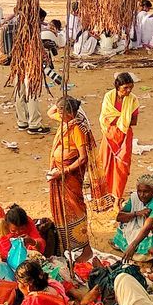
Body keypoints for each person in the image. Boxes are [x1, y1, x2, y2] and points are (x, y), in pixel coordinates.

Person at [47, 97, 91, 256]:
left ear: (70, 113)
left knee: (75, 208)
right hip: (58, 174)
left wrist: (64, 171)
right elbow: (49, 112)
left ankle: (82, 245)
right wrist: (62, 101)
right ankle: (66, 244)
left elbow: (83, 157)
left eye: (61, 111)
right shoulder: (64, 120)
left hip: (70, 177)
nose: (57, 114)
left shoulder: (76, 128)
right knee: (62, 209)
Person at [99, 73, 138, 203]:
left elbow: (134, 120)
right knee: (105, 164)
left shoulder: (133, 99)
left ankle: (117, 197)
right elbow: (105, 118)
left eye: (130, 87)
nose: (128, 91)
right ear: (117, 86)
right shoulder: (108, 97)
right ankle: (104, 194)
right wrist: (123, 119)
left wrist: (118, 120)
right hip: (109, 135)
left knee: (122, 167)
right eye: (125, 88)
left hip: (125, 136)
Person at [112, 175, 153, 260]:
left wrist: (133, 245)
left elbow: (147, 228)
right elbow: (119, 217)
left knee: (151, 247)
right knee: (124, 222)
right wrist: (137, 213)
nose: (142, 195)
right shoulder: (135, 197)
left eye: (146, 192)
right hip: (139, 228)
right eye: (139, 191)